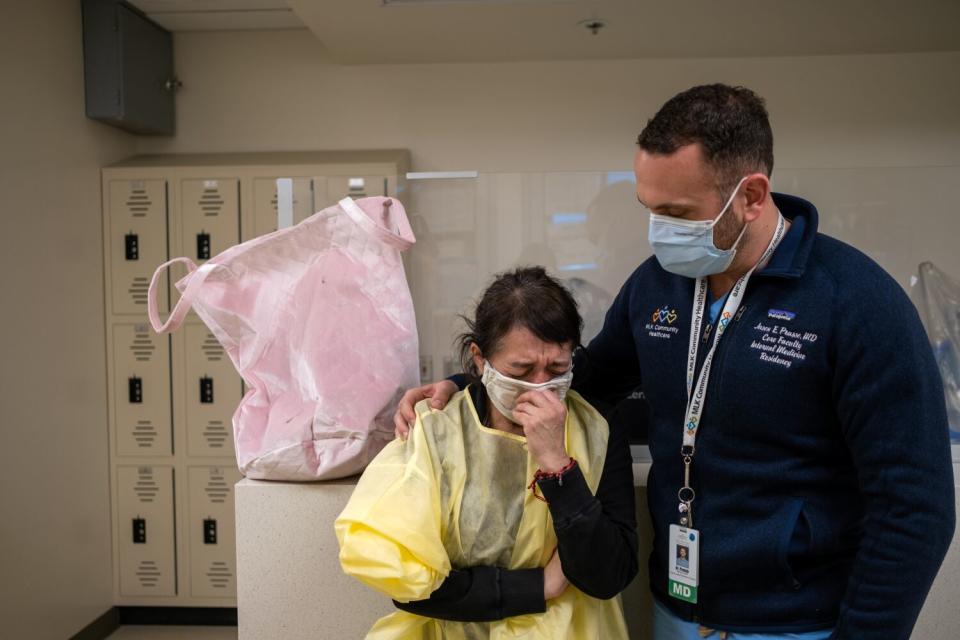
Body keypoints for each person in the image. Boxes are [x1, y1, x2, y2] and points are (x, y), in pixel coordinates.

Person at [396, 84, 955, 639]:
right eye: (649, 209)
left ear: (752, 195)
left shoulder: (856, 302)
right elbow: (582, 382)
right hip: (676, 609)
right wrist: (469, 385)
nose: (659, 230)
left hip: (794, 622)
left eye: (677, 212)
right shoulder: (657, 286)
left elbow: (916, 509)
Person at [336, 267, 638, 639]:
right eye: (521, 370)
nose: (541, 387)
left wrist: (558, 466)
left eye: (557, 368)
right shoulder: (437, 428)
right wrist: (540, 586)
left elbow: (609, 576)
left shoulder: (598, 428)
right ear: (480, 360)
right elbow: (411, 587)